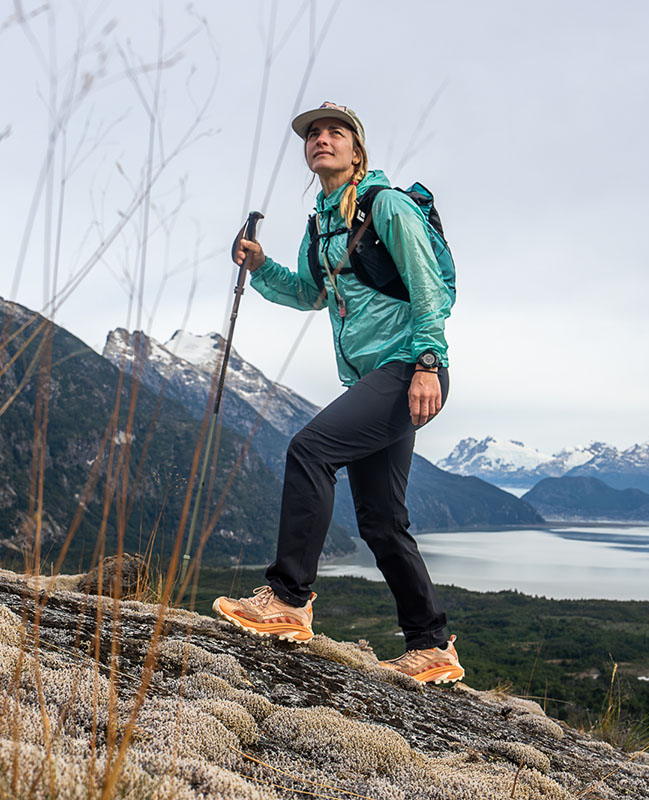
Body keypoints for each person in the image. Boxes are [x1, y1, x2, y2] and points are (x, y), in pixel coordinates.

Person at [213, 102, 463, 685]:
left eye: (335, 132)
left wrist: (428, 361)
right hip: (375, 380)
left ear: (357, 149)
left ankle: (288, 599)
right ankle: (431, 645)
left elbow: (429, 288)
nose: (322, 139)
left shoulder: (387, 206)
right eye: (313, 134)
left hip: (409, 368)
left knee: (310, 449)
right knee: (381, 520)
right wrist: (260, 265)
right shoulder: (321, 222)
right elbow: (308, 293)